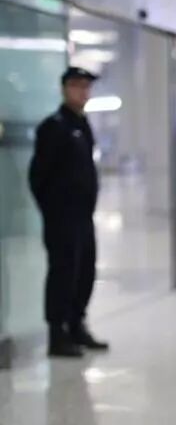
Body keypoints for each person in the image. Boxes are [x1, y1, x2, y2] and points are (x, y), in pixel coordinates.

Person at [29, 66, 109, 358]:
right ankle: (57, 333)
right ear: (65, 89)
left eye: (87, 87)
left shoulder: (81, 124)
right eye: (77, 86)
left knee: (84, 270)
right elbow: (38, 176)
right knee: (63, 272)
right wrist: (53, 211)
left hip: (83, 216)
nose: (83, 92)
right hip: (62, 217)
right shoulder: (54, 126)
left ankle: (76, 325)